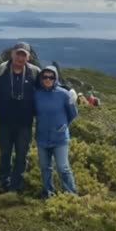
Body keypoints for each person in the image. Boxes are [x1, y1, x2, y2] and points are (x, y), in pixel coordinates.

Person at [0, 42, 41, 193]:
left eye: (24, 55)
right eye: (18, 53)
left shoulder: (35, 72)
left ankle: (17, 184)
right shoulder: (0, 71)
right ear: (12, 54)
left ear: (28, 57)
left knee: (22, 154)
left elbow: (47, 90)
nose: (20, 57)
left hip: (25, 123)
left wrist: (68, 94)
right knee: (5, 153)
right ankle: (4, 181)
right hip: (5, 123)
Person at [34, 65, 78, 199]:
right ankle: (48, 192)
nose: (48, 79)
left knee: (63, 167)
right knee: (45, 167)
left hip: (60, 138)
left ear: (55, 78)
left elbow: (73, 114)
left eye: (51, 77)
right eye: (45, 77)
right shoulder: (37, 94)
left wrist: (64, 126)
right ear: (41, 78)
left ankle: (71, 194)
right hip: (42, 137)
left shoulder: (63, 94)